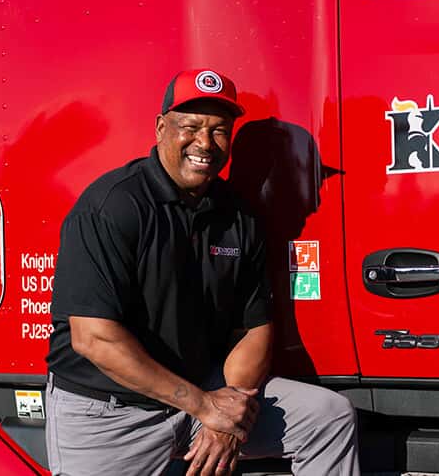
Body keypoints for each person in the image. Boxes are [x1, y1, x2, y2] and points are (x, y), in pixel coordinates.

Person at [44, 68, 360, 476]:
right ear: (161, 128)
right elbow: (95, 339)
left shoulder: (238, 216)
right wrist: (205, 406)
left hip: (202, 396)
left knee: (327, 416)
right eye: (190, 127)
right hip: (112, 412)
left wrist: (230, 410)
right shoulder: (113, 205)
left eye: (219, 130)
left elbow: (254, 328)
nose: (205, 144)